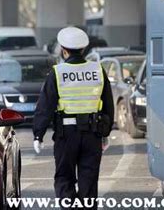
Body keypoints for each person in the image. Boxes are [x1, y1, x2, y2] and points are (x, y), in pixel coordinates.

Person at [33, 27, 114, 209]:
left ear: (64, 50)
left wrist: (38, 134)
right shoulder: (97, 70)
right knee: (89, 180)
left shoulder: (58, 72)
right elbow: (108, 104)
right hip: (93, 134)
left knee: (64, 178)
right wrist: (105, 133)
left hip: (66, 135)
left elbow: (45, 107)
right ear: (83, 49)